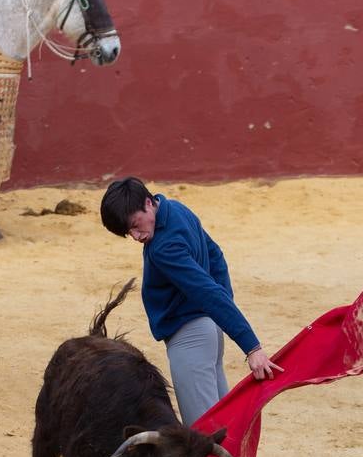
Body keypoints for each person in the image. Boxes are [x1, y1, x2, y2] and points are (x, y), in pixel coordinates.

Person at [100, 177, 284, 427]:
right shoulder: (175, 208)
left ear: (147, 203)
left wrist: (251, 347)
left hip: (189, 340)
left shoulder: (163, 248)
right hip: (208, 332)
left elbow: (207, 291)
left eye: (135, 225)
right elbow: (215, 257)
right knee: (223, 426)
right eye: (128, 232)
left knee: (203, 434)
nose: (135, 236)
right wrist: (217, 314)